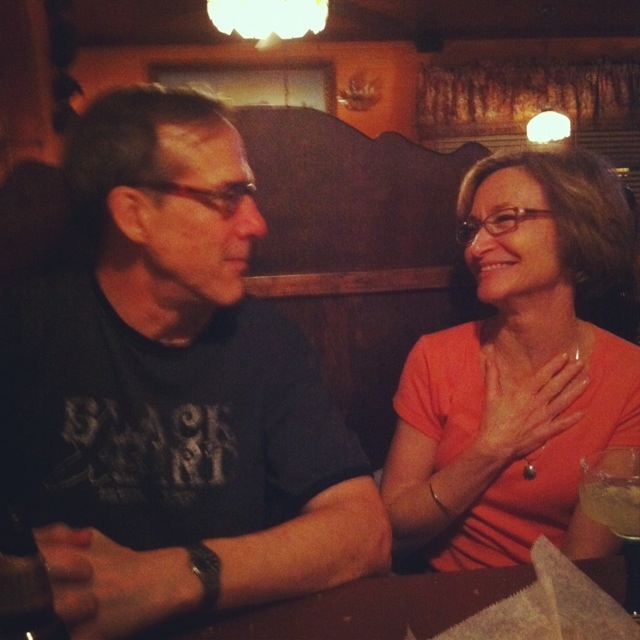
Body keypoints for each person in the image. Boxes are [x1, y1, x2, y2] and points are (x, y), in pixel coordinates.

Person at [0, 84, 391, 639]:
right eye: (227, 197)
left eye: (249, 194)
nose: (256, 224)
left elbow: (365, 532)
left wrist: (168, 579)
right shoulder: (24, 330)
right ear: (134, 214)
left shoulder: (266, 342)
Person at [380, 147, 640, 572]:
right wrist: (491, 448)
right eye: (472, 229)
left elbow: (583, 568)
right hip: (440, 593)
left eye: (504, 219)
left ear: (575, 229)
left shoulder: (630, 375)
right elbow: (395, 525)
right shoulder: (436, 357)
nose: (477, 246)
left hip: (559, 600)